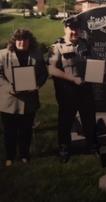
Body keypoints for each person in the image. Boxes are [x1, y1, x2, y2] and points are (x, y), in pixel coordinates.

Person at [48, 16, 97, 163]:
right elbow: (52, 69)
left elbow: (95, 63)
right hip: (66, 90)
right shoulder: (56, 46)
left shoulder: (86, 45)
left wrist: (95, 74)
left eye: (77, 29)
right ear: (65, 28)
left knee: (89, 119)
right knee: (65, 121)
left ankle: (92, 145)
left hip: (85, 88)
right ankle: (64, 148)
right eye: (71, 28)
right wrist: (72, 79)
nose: (74, 32)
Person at [0, 29, 48, 166]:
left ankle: (24, 155)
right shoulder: (3, 55)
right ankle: (10, 156)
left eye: (25, 39)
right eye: (19, 39)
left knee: (26, 130)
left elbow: (43, 74)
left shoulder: (37, 54)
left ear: (29, 41)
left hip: (29, 100)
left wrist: (37, 85)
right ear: (14, 41)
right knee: (9, 131)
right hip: (9, 101)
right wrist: (9, 88)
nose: (21, 42)